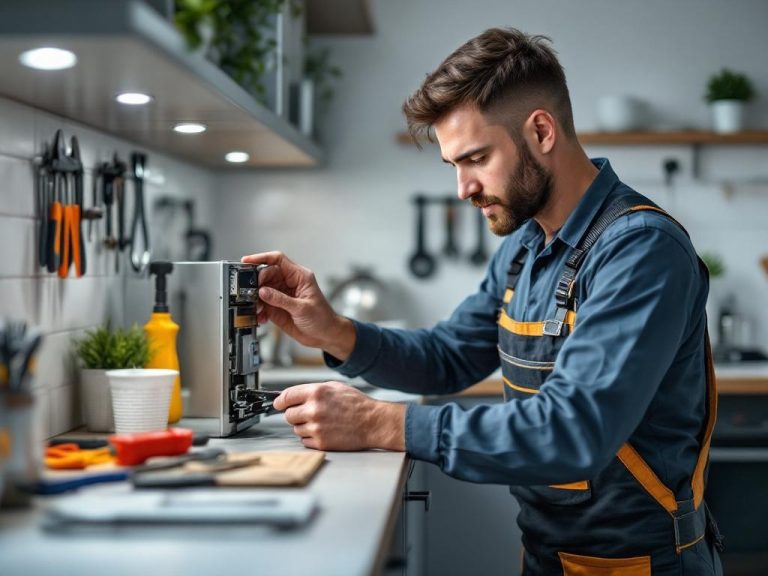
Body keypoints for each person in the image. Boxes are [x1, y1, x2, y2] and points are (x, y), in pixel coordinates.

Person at [242, 27, 723, 576]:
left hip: (644, 567)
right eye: (453, 166)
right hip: (549, 557)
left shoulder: (639, 250)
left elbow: (572, 431)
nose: (463, 189)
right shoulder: (526, 245)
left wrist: (380, 423)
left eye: (476, 159)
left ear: (541, 130)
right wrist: (331, 330)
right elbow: (449, 356)